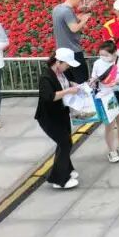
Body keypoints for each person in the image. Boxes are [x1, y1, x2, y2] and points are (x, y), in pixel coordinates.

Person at [35, 48, 82, 188]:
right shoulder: (46, 77)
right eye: (66, 64)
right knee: (65, 143)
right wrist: (68, 90)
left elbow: (63, 85)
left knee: (65, 142)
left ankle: (67, 169)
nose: (68, 67)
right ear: (58, 62)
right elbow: (50, 97)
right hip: (49, 117)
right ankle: (58, 179)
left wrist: (71, 85)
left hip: (61, 113)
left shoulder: (61, 73)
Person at [91, 40, 119, 162]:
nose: (103, 57)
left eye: (106, 55)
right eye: (101, 55)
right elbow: (94, 77)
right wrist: (92, 81)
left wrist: (118, 82)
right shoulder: (97, 63)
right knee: (109, 125)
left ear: (114, 53)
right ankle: (112, 151)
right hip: (106, 96)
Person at [52, 0, 92, 83]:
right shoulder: (67, 11)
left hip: (61, 52)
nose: (80, 3)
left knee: (68, 81)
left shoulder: (57, 8)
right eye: (81, 0)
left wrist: (78, 18)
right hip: (73, 52)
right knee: (82, 81)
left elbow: (64, 23)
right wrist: (84, 20)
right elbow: (74, 29)